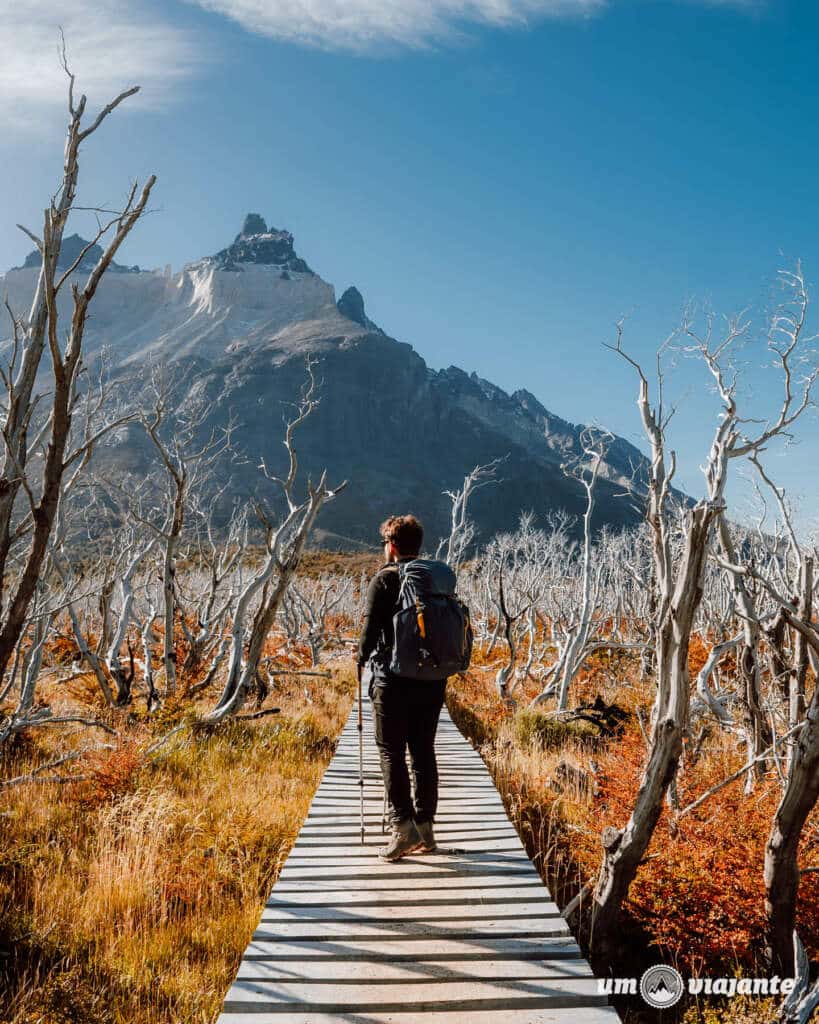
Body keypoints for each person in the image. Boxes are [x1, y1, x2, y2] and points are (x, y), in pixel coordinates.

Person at [357, 514, 447, 862]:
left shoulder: (384, 580)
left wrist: (361, 657)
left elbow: (369, 634)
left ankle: (403, 828)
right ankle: (426, 829)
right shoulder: (433, 579)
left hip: (392, 681)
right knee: (423, 750)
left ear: (391, 546)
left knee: (391, 751)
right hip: (432, 679)